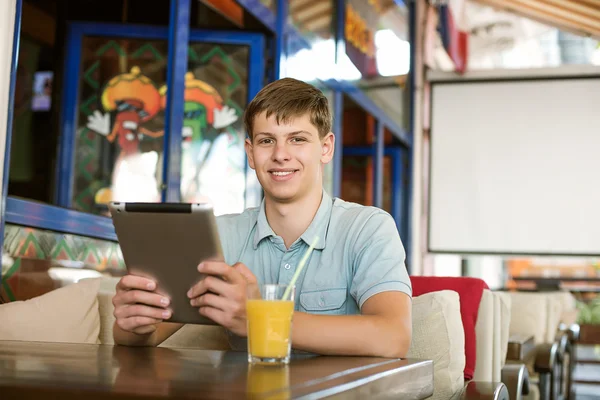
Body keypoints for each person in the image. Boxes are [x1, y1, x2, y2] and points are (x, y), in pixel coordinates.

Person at [112, 78, 412, 358]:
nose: (281, 154)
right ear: (251, 153)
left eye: (297, 139)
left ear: (326, 147)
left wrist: (259, 317)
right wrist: (132, 323)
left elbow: (394, 336)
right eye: (267, 141)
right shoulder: (219, 235)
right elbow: (144, 334)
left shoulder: (368, 228)